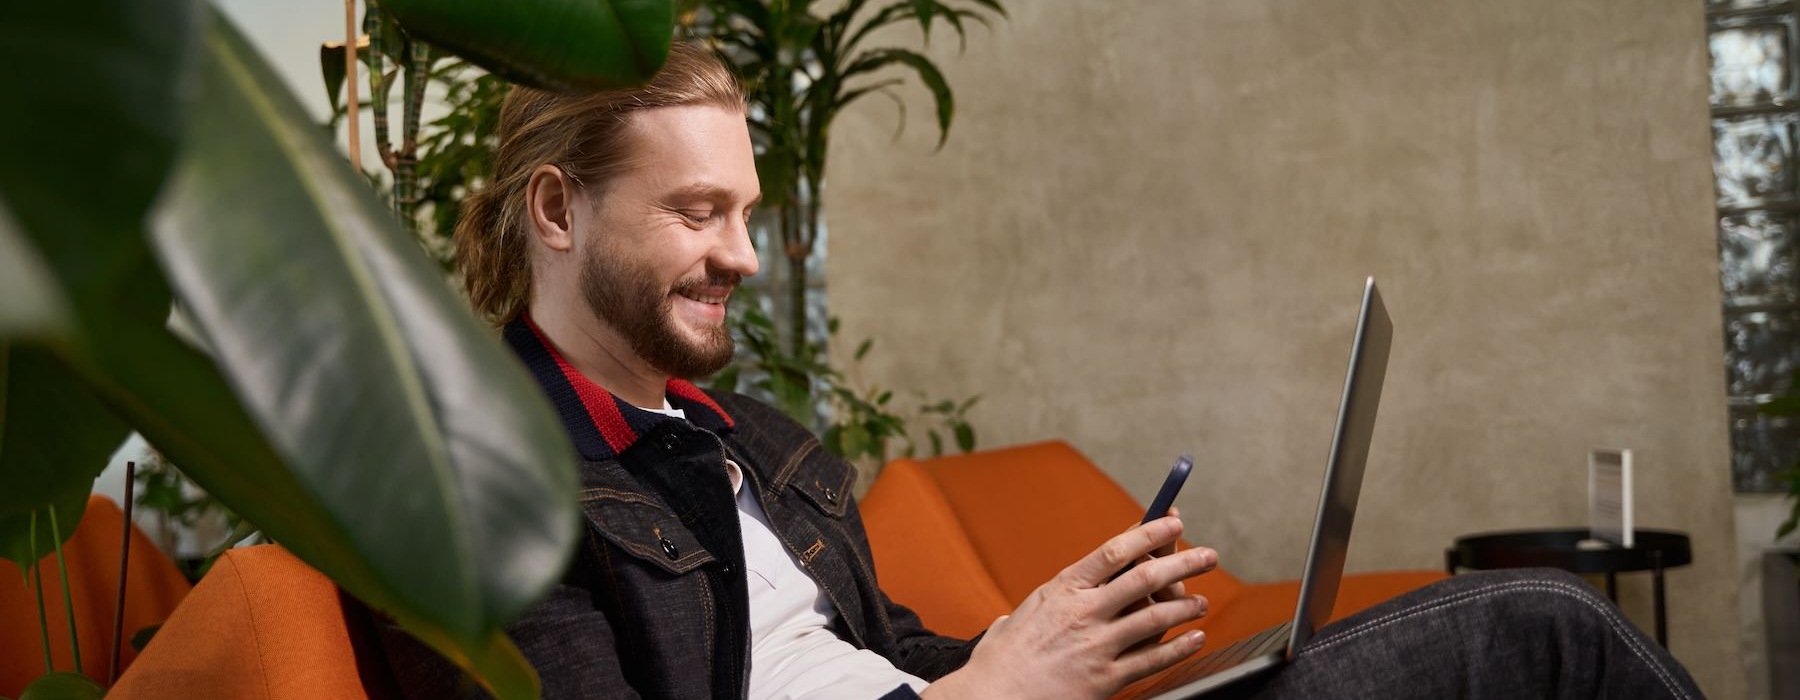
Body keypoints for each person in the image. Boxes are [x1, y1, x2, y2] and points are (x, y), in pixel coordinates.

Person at [378, 43, 1704, 700]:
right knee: (1547, 632)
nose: (742, 254)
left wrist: (1054, 639)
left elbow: (885, 666)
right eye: (696, 213)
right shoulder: (476, 495)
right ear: (556, 212)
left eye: (744, 210)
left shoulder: (745, 439)